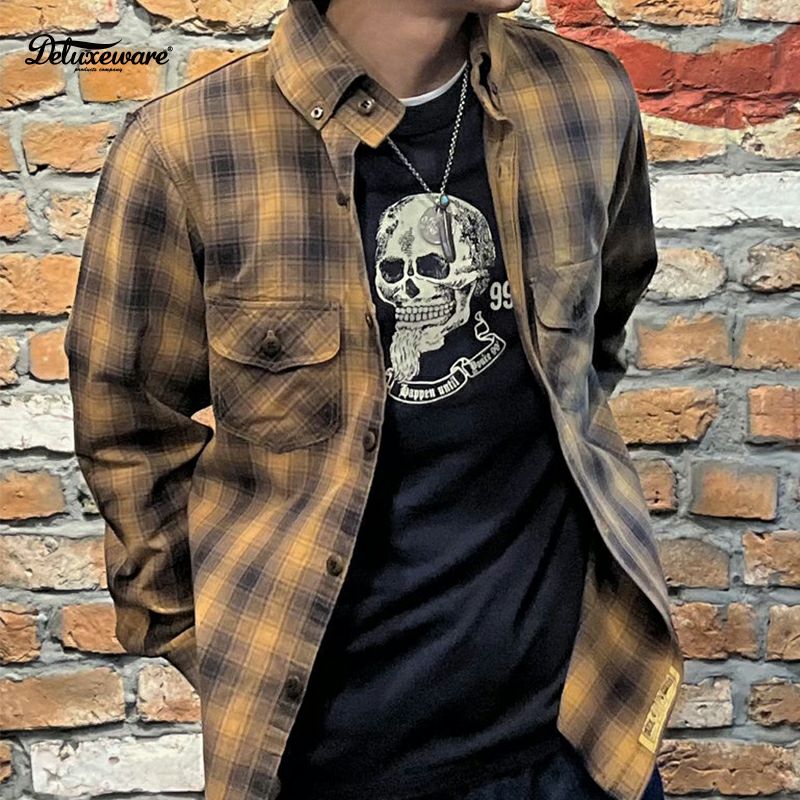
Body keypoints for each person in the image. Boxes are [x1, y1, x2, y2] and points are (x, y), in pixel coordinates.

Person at [63, 1, 684, 800]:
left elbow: (598, 334)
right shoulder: (189, 149)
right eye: (403, 274)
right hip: (333, 762)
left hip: (579, 740)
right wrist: (211, 640)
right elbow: (126, 428)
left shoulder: (586, 100)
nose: (414, 288)